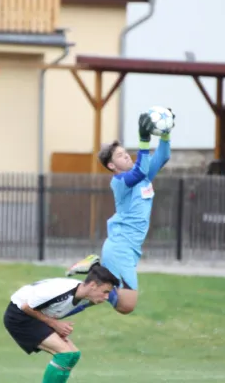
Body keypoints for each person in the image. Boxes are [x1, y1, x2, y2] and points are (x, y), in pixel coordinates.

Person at [65, 110, 174, 316]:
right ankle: (94, 269)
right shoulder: (120, 182)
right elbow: (140, 170)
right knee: (126, 306)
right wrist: (143, 139)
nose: (126, 155)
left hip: (131, 248)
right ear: (112, 166)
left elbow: (163, 155)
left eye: (126, 152)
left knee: (105, 297)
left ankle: (95, 269)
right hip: (120, 247)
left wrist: (166, 133)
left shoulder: (142, 177)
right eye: (120, 155)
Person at [3, 265, 120, 383]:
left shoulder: (87, 296)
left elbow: (59, 309)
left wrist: (56, 325)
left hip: (37, 316)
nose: (107, 297)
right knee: (65, 354)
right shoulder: (57, 291)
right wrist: (55, 324)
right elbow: (26, 307)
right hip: (20, 316)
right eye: (105, 292)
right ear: (93, 285)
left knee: (74, 355)